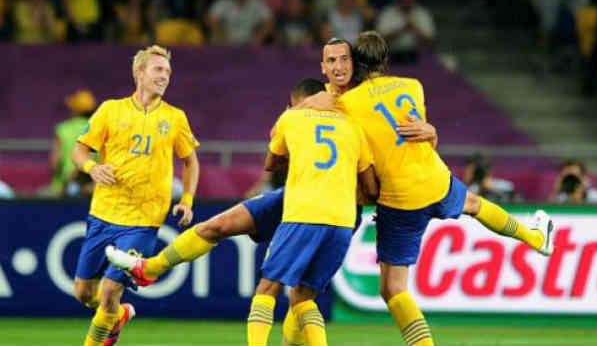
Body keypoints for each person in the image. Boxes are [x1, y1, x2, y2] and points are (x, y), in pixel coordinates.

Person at [104, 38, 435, 344]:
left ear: (355, 64)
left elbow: (401, 153)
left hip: (336, 204)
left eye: (343, 59)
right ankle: (150, 269)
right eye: (331, 60)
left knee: (298, 297)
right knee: (217, 226)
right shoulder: (318, 98)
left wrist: (429, 132)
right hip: (299, 195)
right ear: (323, 68)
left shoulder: (362, 104)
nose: (337, 66)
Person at [303, 31, 556, 346]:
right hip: (436, 179)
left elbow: (319, 110)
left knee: (393, 289)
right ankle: (534, 237)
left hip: (401, 198)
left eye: (344, 60)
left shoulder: (346, 103)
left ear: (355, 63)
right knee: (476, 205)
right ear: (385, 59)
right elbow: (416, 133)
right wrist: (431, 130)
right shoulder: (413, 86)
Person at [72, 45, 200, 346]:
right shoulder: (110, 110)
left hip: (144, 219)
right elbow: (79, 151)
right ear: (138, 73)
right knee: (84, 293)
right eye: (158, 70)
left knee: (109, 292)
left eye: (168, 71)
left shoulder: (175, 117)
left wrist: (187, 200)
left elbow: (190, 161)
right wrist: (92, 167)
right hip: (104, 211)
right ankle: (117, 316)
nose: (164, 76)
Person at [246, 77, 377, 346]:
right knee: (305, 296)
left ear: (300, 100)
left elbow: (271, 164)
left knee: (267, 287)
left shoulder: (292, 118)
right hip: (342, 221)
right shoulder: (354, 127)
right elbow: (371, 188)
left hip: (304, 213)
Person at [49, 89, 97, 198]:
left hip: (65, 187)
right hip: (92, 184)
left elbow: (55, 163)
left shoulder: (63, 129)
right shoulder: (97, 128)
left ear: (75, 110)